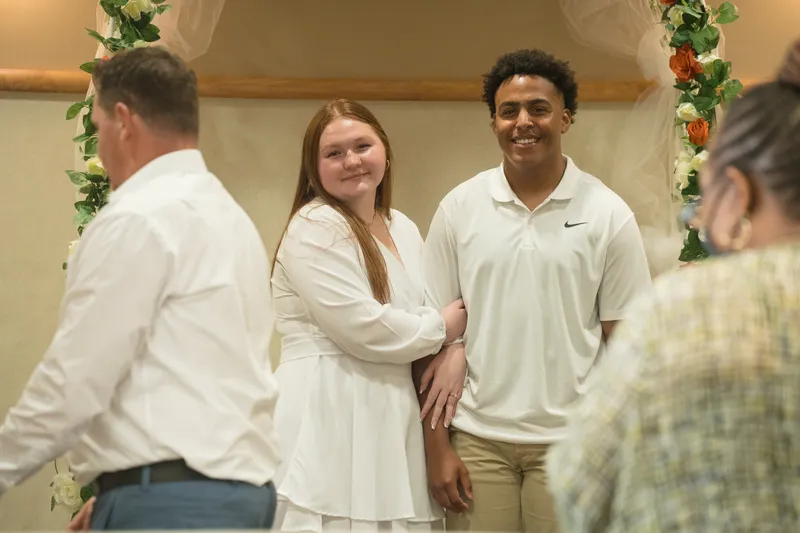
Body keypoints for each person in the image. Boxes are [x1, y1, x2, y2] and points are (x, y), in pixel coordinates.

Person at [0, 47, 281, 530]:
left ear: (124, 121)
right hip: (236, 494)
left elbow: (74, 381)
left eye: (97, 123)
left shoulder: (138, 216)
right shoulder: (231, 219)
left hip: (170, 502)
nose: (99, 142)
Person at [547, 38, 800, 532]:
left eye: (704, 200)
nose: (700, 217)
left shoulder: (685, 309)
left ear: (740, 192)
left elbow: (580, 482)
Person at [415, 49, 653, 532]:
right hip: (477, 441)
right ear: (494, 122)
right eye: (509, 111)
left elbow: (627, 346)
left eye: (539, 109)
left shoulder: (608, 213)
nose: (524, 121)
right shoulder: (460, 208)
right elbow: (430, 340)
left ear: (565, 119)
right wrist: (437, 448)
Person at [269, 99, 468, 532]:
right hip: (328, 404)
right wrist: (443, 329)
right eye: (334, 153)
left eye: (363, 146)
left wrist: (454, 348)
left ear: (386, 152)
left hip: (391, 409)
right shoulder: (315, 224)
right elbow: (363, 329)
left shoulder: (404, 227)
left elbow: (428, 306)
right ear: (313, 168)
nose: (352, 161)